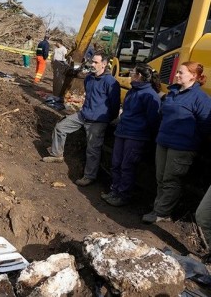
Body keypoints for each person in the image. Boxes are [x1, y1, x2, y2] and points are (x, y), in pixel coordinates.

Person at [143, 62, 211, 223]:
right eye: (177, 72)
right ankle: (158, 207)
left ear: (193, 76)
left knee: (171, 179)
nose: (177, 75)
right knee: (160, 177)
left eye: (181, 73)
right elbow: (163, 113)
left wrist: (191, 138)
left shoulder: (200, 98)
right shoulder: (173, 92)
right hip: (164, 141)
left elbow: (206, 125)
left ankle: (161, 213)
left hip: (182, 146)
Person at [42, 52, 121, 186]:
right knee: (61, 127)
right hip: (83, 114)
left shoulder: (111, 82)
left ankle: (89, 176)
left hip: (98, 121)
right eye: (92, 61)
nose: (92, 64)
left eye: (96, 62)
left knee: (93, 149)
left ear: (104, 64)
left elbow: (114, 106)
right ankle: (57, 154)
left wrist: (107, 119)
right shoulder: (89, 78)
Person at [103, 64, 161, 206]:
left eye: (133, 72)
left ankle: (123, 195)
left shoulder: (150, 95)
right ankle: (115, 190)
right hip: (123, 132)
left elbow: (154, 120)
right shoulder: (133, 91)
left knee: (127, 166)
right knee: (116, 163)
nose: (130, 74)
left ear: (139, 75)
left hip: (136, 136)